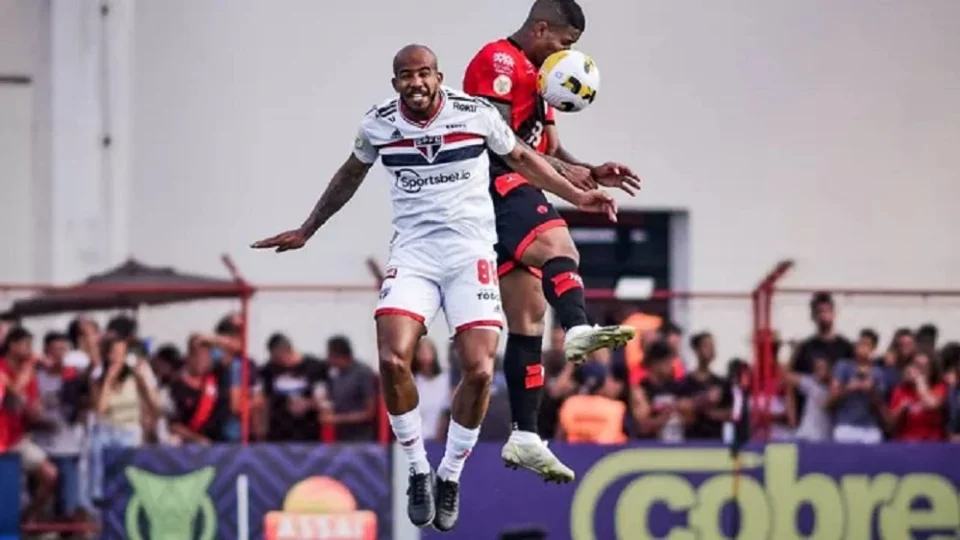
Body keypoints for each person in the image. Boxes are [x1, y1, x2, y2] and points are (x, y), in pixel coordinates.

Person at [251, 45, 616, 531]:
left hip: (470, 256)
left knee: (480, 370)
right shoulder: (379, 123)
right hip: (415, 256)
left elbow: (524, 159)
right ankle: (419, 470)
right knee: (391, 359)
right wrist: (307, 229)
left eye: (424, 74)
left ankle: (450, 474)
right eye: (406, 76)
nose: (416, 83)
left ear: (439, 77)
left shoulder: (474, 113)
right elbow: (349, 174)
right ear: (395, 83)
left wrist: (576, 195)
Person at [462, 0, 640, 483]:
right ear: (541, 29)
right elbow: (502, 145)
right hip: (496, 185)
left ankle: (525, 435)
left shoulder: (542, 78)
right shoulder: (498, 61)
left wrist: (590, 171)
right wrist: (571, 185)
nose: (567, 53)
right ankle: (578, 327)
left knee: (528, 318)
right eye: (565, 42)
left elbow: (550, 150)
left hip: (515, 188)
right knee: (560, 248)